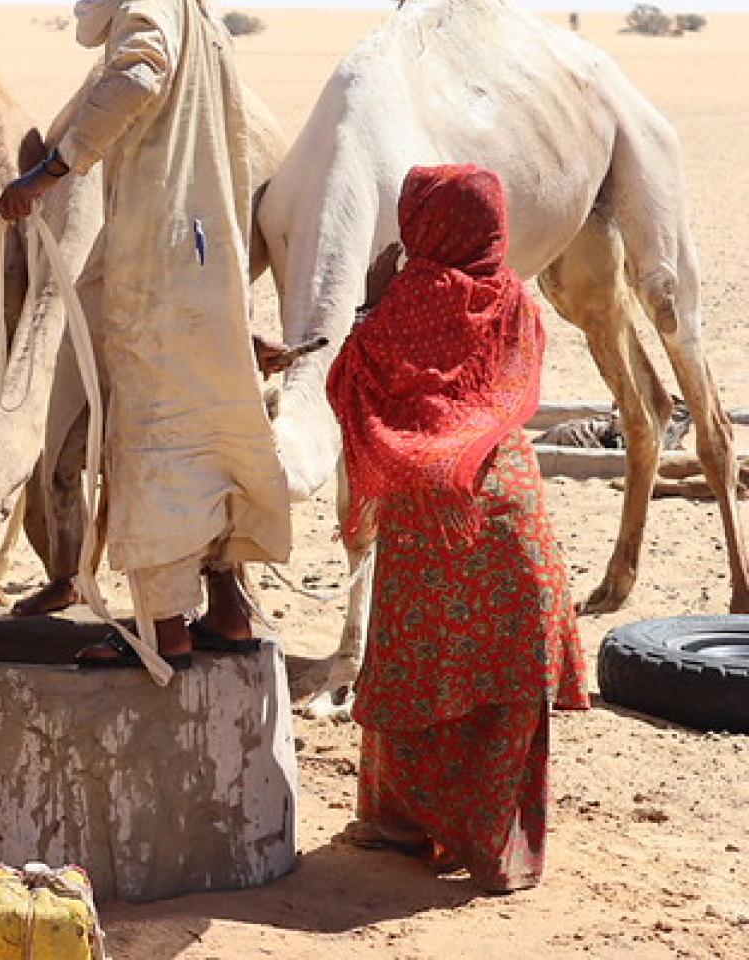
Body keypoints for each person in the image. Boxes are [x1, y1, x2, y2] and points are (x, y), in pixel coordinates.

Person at [0, 0, 289, 673]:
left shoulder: (148, 8)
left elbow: (137, 73)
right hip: (202, 253)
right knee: (209, 431)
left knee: (152, 434)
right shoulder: (203, 19)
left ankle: (163, 630)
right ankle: (228, 608)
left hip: (156, 258)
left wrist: (47, 175)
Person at [327, 164, 590, 893]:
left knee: (414, 669)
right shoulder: (518, 301)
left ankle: (399, 824)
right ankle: (499, 842)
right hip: (514, 519)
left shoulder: (412, 299)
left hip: (435, 519)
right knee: (504, 688)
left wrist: (370, 307)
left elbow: (355, 381)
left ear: (427, 224)